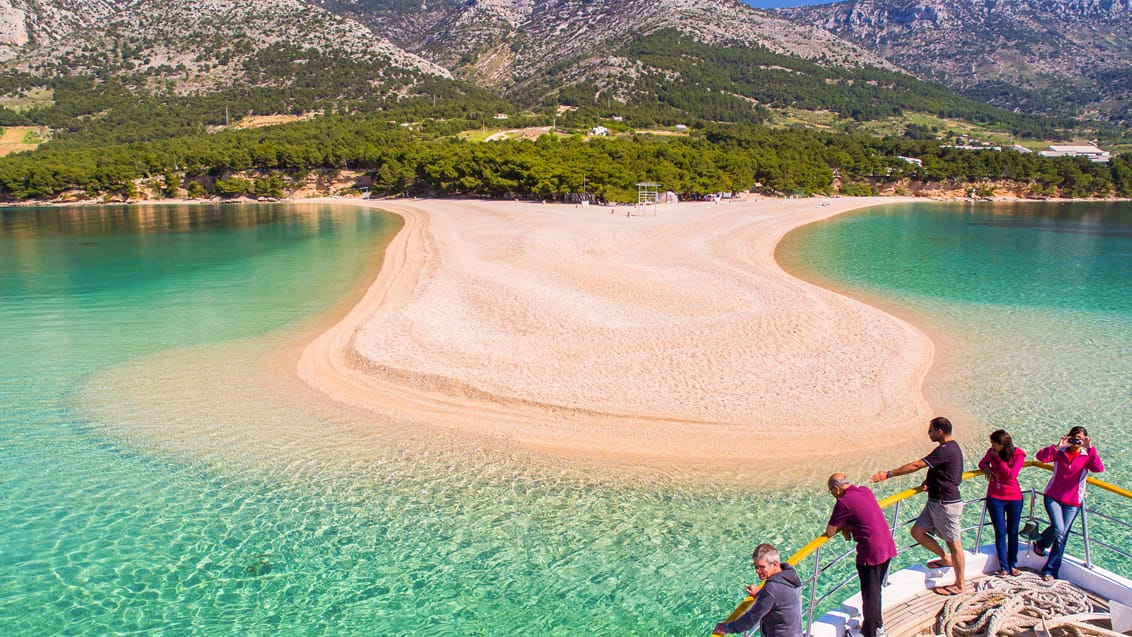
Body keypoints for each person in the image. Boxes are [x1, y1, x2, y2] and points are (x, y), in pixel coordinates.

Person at [871, 416, 966, 595]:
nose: (928, 433)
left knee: (955, 545)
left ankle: (960, 584)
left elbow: (916, 465)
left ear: (940, 431)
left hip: (945, 503)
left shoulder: (945, 450)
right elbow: (951, 474)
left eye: (930, 430)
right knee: (917, 532)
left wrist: (888, 474)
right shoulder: (951, 448)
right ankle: (945, 559)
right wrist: (930, 481)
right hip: (935, 501)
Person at [824, 473, 897, 637]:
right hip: (887, 546)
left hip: (871, 553)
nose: (833, 496)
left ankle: (869, 633)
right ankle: (877, 627)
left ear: (836, 488)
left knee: (869, 595)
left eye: (831, 492)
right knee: (875, 591)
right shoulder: (865, 491)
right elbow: (862, 514)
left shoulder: (843, 502)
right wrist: (848, 524)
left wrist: (843, 525)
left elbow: (829, 531)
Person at [1032, 425, 1104, 580]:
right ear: (1068, 437)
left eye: (1080, 439)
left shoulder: (1087, 456)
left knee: (1062, 535)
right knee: (1058, 529)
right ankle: (1041, 543)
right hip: (1053, 496)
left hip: (1073, 502)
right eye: (1074, 438)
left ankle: (1050, 570)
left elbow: (1098, 468)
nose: (1076, 441)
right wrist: (1058, 446)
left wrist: (1090, 448)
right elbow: (1041, 457)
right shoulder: (1060, 452)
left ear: (1085, 440)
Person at [712, 543, 802, 637]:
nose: (757, 571)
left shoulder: (771, 589)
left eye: (761, 567)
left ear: (774, 564)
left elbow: (751, 619)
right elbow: (780, 599)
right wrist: (760, 594)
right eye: (755, 567)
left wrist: (725, 628)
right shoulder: (790, 575)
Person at [977, 429, 1026, 576]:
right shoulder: (991, 452)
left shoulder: (1018, 455)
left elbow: (1011, 475)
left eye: (994, 444)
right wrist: (987, 467)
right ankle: (1004, 567)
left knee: (1012, 532)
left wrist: (997, 459)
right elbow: (981, 463)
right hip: (995, 497)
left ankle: (1013, 564)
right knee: (1000, 532)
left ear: (1002, 444)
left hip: (1014, 498)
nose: (991, 446)